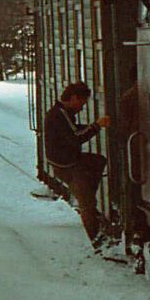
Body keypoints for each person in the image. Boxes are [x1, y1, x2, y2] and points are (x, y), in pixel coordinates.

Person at [43, 81, 112, 247]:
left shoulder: (61, 113)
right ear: (73, 98)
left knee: (98, 161)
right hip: (66, 164)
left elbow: (72, 130)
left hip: (65, 160)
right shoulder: (59, 114)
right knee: (87, 203)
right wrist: (96, 126)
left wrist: (90, 126)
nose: (82, 107)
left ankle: (84, 193)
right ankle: (98, 241)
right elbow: (75, 137)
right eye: (82, 102)